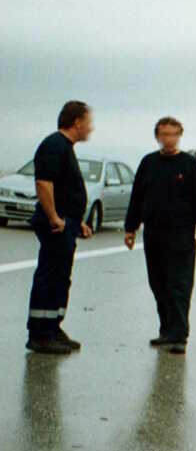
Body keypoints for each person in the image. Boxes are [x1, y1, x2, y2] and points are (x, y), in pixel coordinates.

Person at [124, 117, 196, 355]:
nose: (169, 139)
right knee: (158, 284)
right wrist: (130, 228)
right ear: (157, 136)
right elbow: (137, 198)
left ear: (180, 135)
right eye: (164, 134)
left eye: (173, 134)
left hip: (181, 235)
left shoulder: (190, 166)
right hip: (153, 234)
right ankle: (166, 331)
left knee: (179, 285)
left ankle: (179, 336)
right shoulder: (148, 163)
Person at [26, 101, 95, 354]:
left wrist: (79, 223)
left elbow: (66, 191)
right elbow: (44, 184)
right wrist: (54, 217)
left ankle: (53, 327)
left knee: (61, 279)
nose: (91, 128)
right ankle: (40, 334)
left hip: (67, 224)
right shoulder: (53, 145)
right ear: (77, 122)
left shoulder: (66, 147)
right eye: (89, 122)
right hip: (55, 225)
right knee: (50, 277)